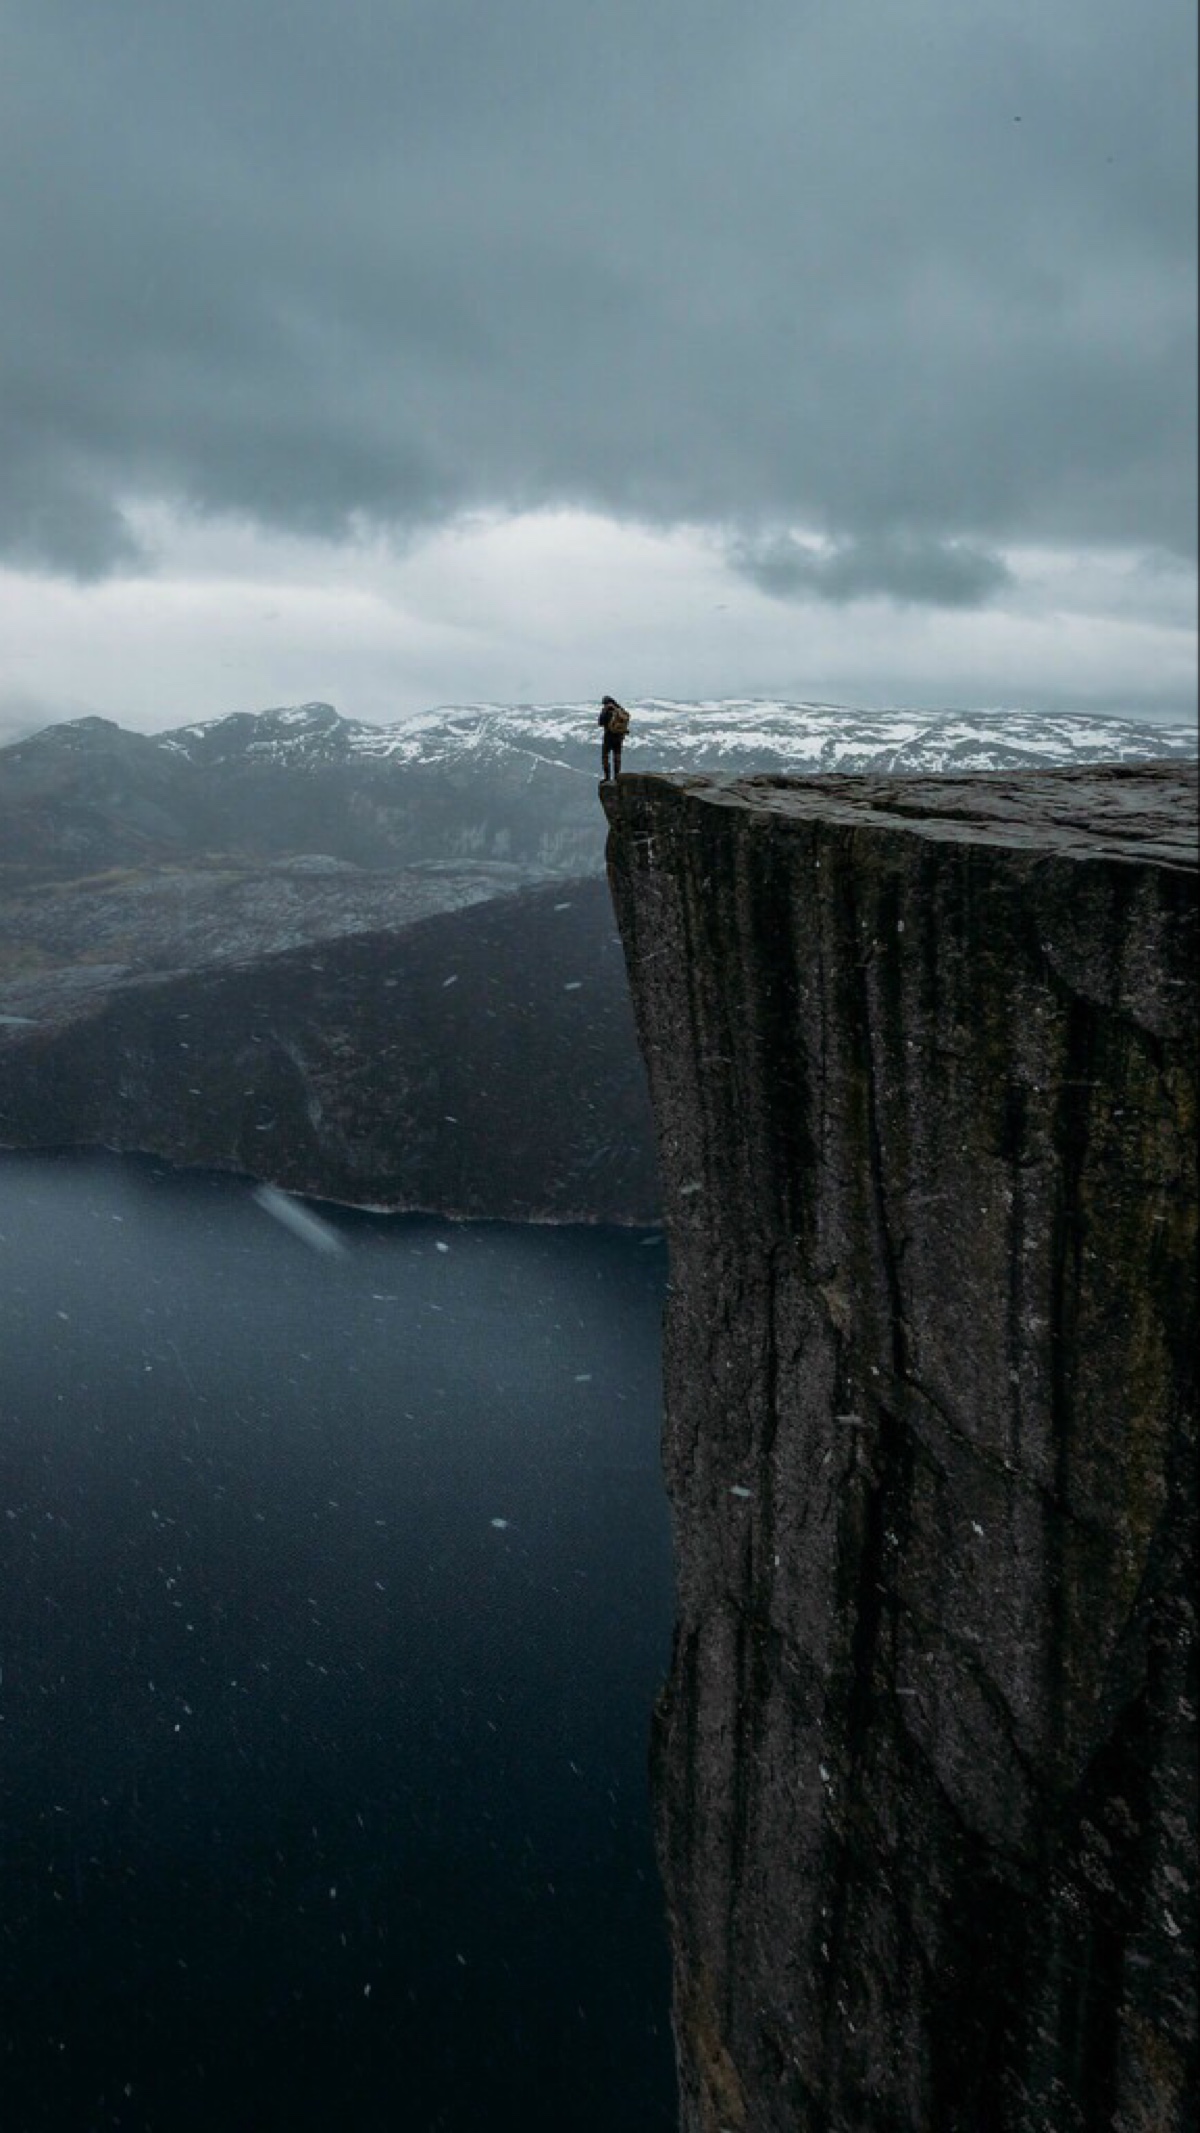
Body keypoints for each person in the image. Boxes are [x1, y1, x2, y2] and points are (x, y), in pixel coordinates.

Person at [598, 695, 630, 781]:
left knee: (605, 756)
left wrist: (604, 711)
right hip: (619, 737)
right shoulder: (620, 710)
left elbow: (600, 722)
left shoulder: (607, 711)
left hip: (608, 737)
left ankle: (607, 777)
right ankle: (617, 776)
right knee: (617, 757)